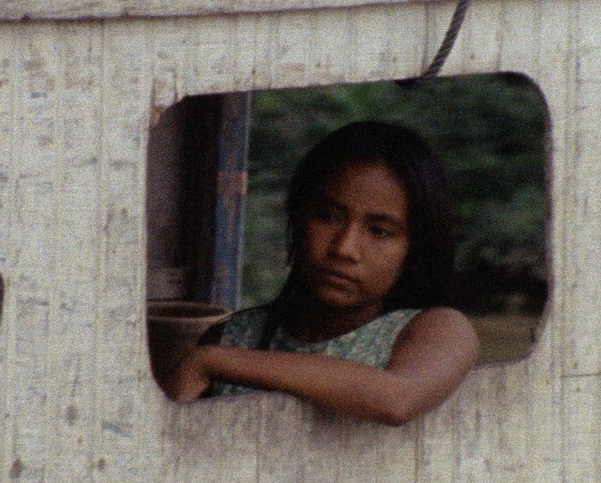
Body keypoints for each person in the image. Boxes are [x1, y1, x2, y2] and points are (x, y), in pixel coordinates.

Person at [162, 121, 479, 426]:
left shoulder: (436, 329)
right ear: (299, 219)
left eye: (380, 231)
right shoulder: (234, 335)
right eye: (327, 216)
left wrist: (211, 361)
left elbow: (398, 399)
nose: (344, 248)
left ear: (416, 247)